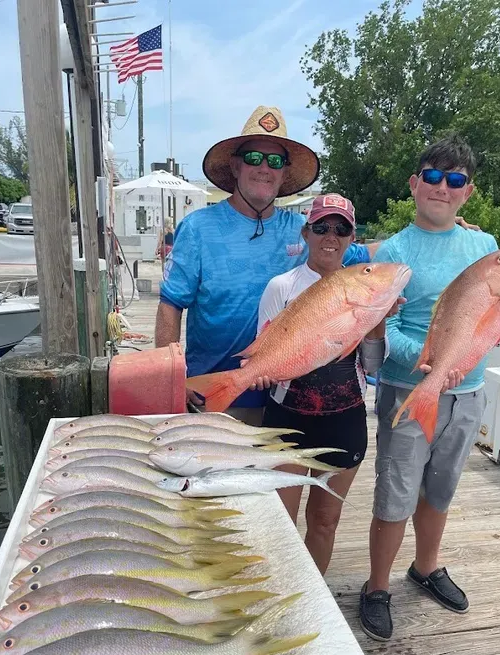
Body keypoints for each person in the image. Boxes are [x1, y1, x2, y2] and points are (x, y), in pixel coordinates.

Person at [359, 133, 499, 642]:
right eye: (434, 177)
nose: (443, 187)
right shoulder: (394, 251)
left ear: (467, 192)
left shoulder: (484, 247)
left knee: (440, 488)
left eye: (455, 180)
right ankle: (376, 587)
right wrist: (423, 363)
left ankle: (426, 566)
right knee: (395, 494)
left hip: (469, 391)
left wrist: (462, 362)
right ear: (415, 184)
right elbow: (384, 326)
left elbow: (493, 316)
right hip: (407, 389)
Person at [154, 106, 372, 424]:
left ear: (284, 173)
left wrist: (446, 227)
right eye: (254, 158)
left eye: (275, 161)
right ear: (236, 165)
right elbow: (169, 306)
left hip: (285, 398)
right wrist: (171, 377)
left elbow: (363, 257)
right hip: (211, 397)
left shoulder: (308, 231)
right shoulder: (198, 227)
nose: (264, 168)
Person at [254, 194, 401, 574]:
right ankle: (280, 598)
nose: (330, 236)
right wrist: (264, 371)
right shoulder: (281, 287)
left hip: (345, 420)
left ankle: (313, 598)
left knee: (325, 521)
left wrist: (378, 321)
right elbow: (263, 359)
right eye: (321, 227)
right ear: (306, 232)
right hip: (286, 419)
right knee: (281, 522)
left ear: (352, 236)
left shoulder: (365, 287)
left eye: (341, 228)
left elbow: (370, 365)